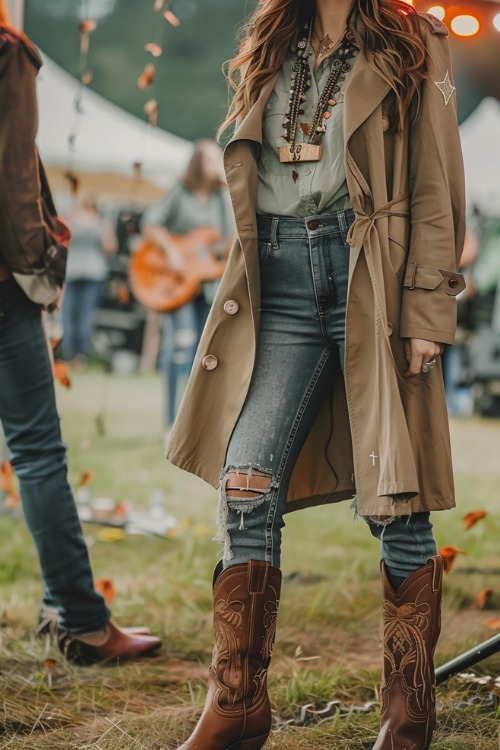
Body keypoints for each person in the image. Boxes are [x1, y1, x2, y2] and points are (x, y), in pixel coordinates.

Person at [165, 0, 466, 748]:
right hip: (280, 280)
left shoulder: (412, 37)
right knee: (247, 479)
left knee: (396, 496)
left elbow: (436, 178)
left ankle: (409, 716)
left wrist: (428, 307)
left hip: (373, 276)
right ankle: (237, 703)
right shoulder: (272, 40)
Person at [0, 4, 161, 663]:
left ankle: (67, 607)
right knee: (37, 450)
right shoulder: (6, 52)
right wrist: (43, 274)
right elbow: (11, 181)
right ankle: (82, 620)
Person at [140, 139, 233, 441]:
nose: (215, 164)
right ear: (197, 163)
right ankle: (170, 423)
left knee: (203, 354)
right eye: (210, 159)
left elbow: (229, 240)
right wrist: (173, 251)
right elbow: (150, 223)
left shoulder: (222, 199)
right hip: (176, 286)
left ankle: (194, 425)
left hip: (207, 288)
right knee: (179, 347)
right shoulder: (180, 194)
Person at [61, 191, 118, 368]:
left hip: (88, 272)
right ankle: (75, 356)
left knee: (78, 315)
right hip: (80, 272)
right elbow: (111, 248)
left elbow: (110, 247)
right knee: (75, 315)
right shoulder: (86, 220)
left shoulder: (97, 221)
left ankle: (76, 356)